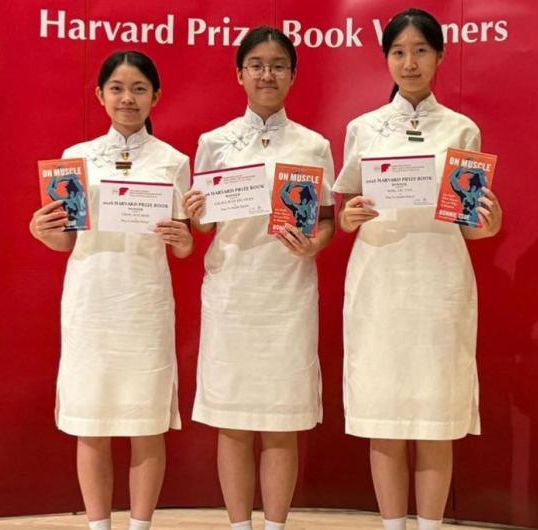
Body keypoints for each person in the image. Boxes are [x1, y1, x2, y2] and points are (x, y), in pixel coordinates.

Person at [332, 9, 503, 530]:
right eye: (399, 52)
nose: (410, 63)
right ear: (386, 58)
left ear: (440, 56)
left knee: (435, 416)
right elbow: (344, 209)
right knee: (383, 412)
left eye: (421, 51)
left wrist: (490, 223)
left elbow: (470, 225)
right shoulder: (362, 128)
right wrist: (349, 217)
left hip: (438, 282)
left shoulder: (461, 129)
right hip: (380, 282)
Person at [28, 51, 193, 530]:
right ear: (99, 94)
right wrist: (42, 231)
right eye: (117, 88)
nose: (127, 98)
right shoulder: (75, 158)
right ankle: (98, 525)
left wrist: (184, 242)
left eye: (139, 88)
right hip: (91, 301)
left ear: (156, 96)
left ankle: (140, 525)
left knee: (146, 423)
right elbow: (66, 239)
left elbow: (182, 243)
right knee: (92, 421)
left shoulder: (173, 162)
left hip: (144, 302)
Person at [181, 26, 335, 530]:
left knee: (281, 419)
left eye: (278, 65)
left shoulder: (313, 145)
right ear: (240, 74)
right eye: (257, 65)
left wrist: (316, 242)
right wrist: (197, 213)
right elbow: (204, 225)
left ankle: (275, 526)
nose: (267, 74)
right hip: (232, 291)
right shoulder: (214, 143)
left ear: (293, 76)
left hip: (287, 292)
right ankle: (239, 526)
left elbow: (327, 220)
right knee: (232, 420)